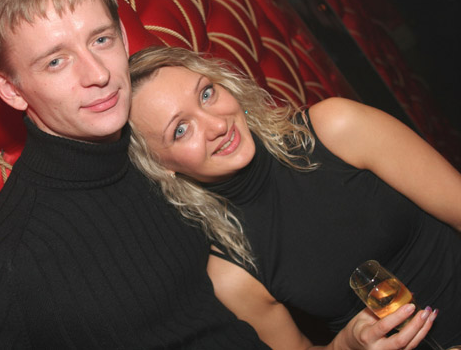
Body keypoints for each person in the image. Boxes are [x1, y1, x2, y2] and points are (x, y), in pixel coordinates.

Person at [0, 0, 271, 349]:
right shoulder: (4, 260)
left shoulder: (159, 145)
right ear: (11, 90)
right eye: (56, 62)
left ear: (123, 38)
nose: (98, 74)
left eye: (101, 40)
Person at [127, 46, 461, 350]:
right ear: (160, 165)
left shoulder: (336, 128)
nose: (216, 125)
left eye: (206, 94)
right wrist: (346, 345)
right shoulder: (232, 273)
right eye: (181, 130)